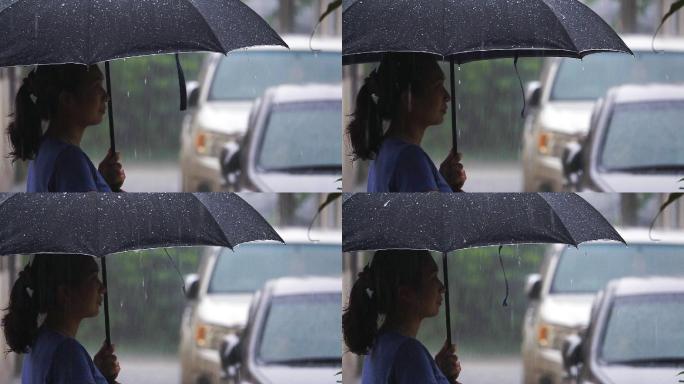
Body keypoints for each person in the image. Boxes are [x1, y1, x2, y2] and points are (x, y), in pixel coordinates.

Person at [347, 53, 466, 192]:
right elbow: (439, 214)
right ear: (408, 99)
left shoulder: (386, 149)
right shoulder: (411, 159)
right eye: (437, 85)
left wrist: (441, 182)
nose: (447, 96)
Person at [343, 249, 462, 383]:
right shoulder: (409, 354)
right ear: (405, 294)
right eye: (432, 277)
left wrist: (436, 371)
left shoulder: (379, 344)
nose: (442, 287)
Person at [2, 254, 121, 384]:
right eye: (93, 278)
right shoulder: (68, 354)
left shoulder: (40, 340)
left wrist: (95, 373)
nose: (103, 288)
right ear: (65, 293)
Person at [7, 64, 125, 192]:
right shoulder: (70, 160)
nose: (106, 96)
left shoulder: (45, 148)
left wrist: (101, 181)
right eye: (96, 86)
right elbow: (96, 212)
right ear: (67, 99)